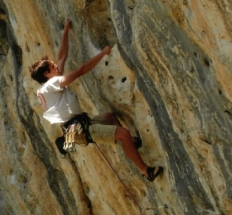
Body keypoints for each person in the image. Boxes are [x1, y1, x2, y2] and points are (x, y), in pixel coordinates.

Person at [29, 19, 164, 182]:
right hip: (79, 129)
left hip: (79, 125)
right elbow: (79, 71)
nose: (57, 67)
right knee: (123, 134)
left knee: (110, 117)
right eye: (53, 67)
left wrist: (65, 32)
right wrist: (102, 54)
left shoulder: (46, 87)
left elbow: (62, 57)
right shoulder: (52, 84)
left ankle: (131, 146)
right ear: (46, 74)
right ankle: (146, 171)